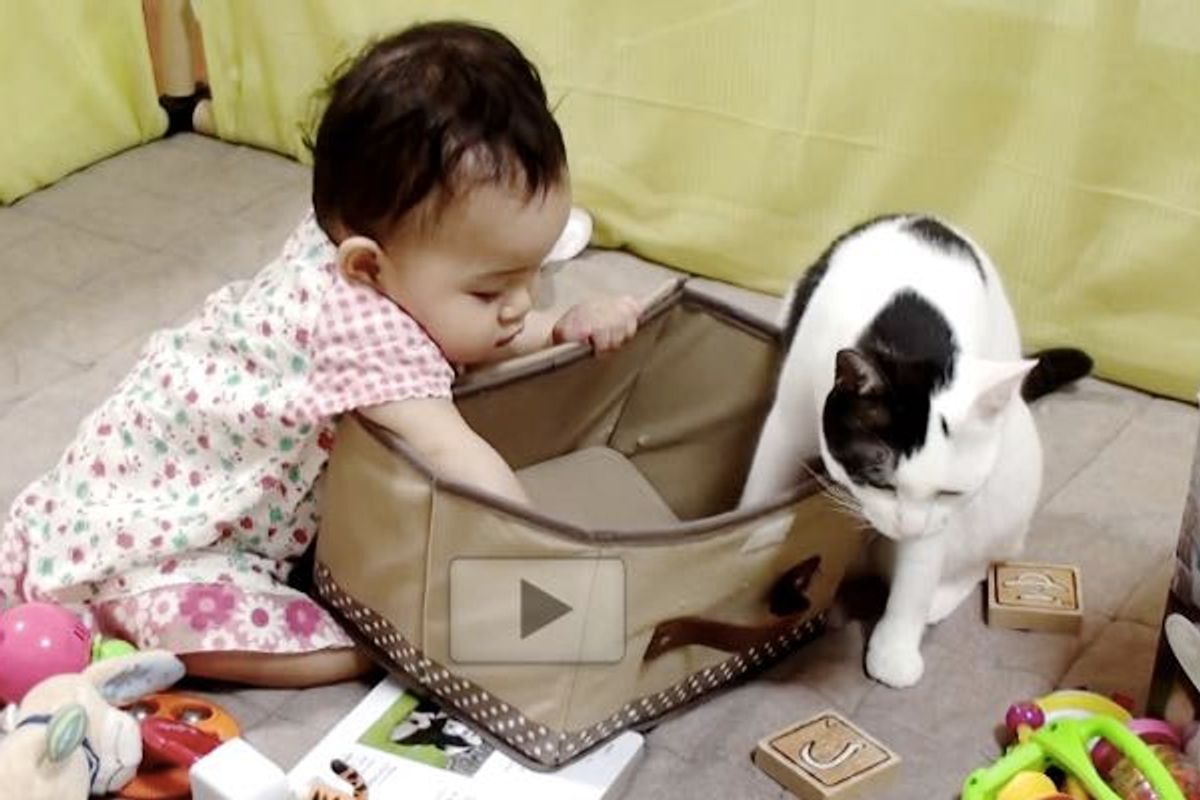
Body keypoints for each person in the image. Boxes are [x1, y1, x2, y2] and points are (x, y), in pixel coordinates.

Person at [0, 21, 640, 687]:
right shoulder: (363, 328)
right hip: (169, 540)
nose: (518, 306)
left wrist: (561, 325)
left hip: (130, 462)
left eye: (531, 276)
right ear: (367, 266)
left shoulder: (358, 242)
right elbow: (462, 460)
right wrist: (547, 554)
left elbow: (482, 335)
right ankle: (357, 652)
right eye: (489, 288)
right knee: (273, 638)